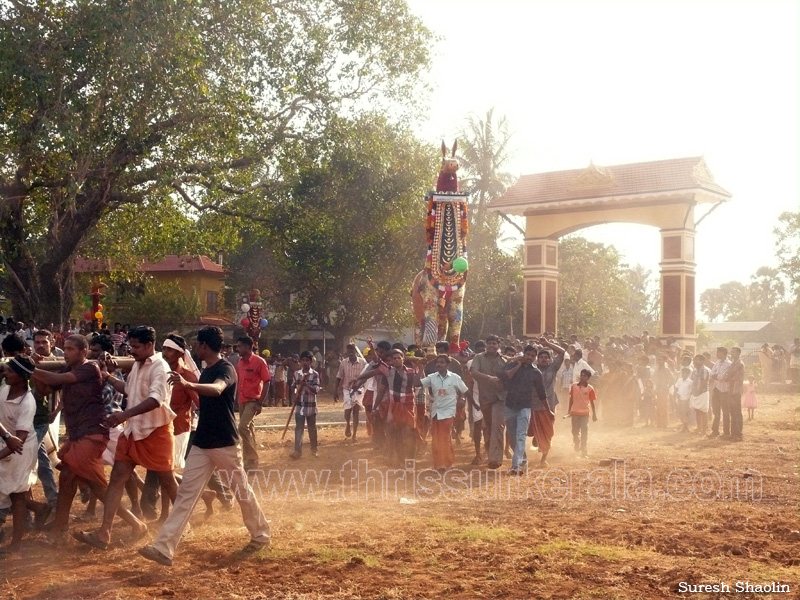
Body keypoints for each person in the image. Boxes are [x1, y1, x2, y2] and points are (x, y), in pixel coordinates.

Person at [139, 326, 270, 566]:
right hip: (202, 442)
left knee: (241, 491)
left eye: (197, 344)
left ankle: (261, 534)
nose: (195, 348)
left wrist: (189, 386)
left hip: (224, 442)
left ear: (204, 346)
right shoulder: (207, 370)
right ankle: (163, 548)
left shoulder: (225, 369)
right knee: (186, 496)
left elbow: (218, 389)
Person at [30, 335, 145, 543]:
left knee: (84, 483)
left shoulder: (90, 368)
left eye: (70, 349)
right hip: (78, 434)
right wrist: (34, 368)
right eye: (64, 348)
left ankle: (59, 533)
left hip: (92, 432)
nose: (65, 352)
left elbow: (55, 380)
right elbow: (45, 389)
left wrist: (27, 367)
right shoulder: (68, 369)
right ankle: (61, 532)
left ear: (83, 352)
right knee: (75, 482)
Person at [74, 326, 177, 550]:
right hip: (133, 430)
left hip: (155, 430)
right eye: (131, 346)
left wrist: (123, 414)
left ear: (150, 345)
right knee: (118, 478)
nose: (132, 351)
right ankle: (104, 534)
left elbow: (156, 400)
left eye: (136, 347)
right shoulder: (138, 365)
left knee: (167, 481)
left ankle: (181, 524)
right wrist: (107, 376)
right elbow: (129, 391)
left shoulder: (160, 366)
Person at [141, 334, 200, 520]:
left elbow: (199, 402)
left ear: (179, 353)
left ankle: (166, 514)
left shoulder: (187, 376)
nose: (165, 353)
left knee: (165, 472)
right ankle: (203, 496)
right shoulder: (160, 372)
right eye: (164, 349)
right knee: (161, 471)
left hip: (179, 429)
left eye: (169, 350)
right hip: (159, 427)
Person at [0, 356, 51, 552]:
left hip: (21, 450)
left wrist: (4, 446)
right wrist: (5, 437)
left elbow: (17, 442)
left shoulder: (27, 403)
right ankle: (40, 508)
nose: (5, 374)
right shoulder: (4, 390)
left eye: (10, 372)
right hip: (6, 443)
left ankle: (16, 545)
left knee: (17, 494)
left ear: (22, 377)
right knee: (9, 491)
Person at [500, 345, 548, 473]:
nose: (530, 358)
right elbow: (506, 377)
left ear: (535, 358)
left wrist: (548, 409)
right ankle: (523, 459)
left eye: (533, 356)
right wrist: (518, 364)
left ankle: (516, 465)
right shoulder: (512, 365)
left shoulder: (536, 372)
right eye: (528, 355)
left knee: (521, 435)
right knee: (512, 436)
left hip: (525, 406)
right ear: (524, 355)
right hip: (510, 405)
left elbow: (541, 393)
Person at [418, 355, 468, 471]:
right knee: (436, 438)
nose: (439, 364)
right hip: (436, 411)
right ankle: (438, 463)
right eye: (437, 363)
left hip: (449, 412)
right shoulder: (432, 377)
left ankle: (446, 462)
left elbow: (464, 390)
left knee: (444, 436)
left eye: (442, 362)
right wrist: (421, 368)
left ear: (447, 365)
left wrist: (463, 399)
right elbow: (416, 383)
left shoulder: (454, 377)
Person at [30, 329, 61, 512]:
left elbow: (58, 389)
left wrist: (57, 410)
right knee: (46, 460)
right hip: (29, 418)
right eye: (38, 342)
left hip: (47, 418)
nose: (41, 346)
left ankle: (52, 503)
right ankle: (53, 502)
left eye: (44, 342)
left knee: (42, 460)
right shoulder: (29, 361)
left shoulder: (59, 362)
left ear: (52, 344)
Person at [469, 335, 507, 469]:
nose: (492, 345)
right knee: (489, 427)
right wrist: (490, 379)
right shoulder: (478, 358)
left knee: (497, 425)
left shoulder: (504, 360)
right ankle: (489, 447)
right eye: (489, 343)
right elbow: (473, 372)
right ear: (486, 344)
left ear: (498, 345)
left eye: (494, 343)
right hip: (485, 398)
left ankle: (495, 459)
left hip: (500, 398)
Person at [234, 336, 270, 471]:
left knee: (242, 428)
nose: (237, 349)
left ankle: (253, 458)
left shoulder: (259, 361)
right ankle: (249, 463)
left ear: (248, 347)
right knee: (249, 430)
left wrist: (260, 403)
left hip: (253, 400)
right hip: (242, 400)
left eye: (240, 346)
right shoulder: (240, 362)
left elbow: (267, 381)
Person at [289, 351, 321, 459]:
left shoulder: (315, 374)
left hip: (310, 406)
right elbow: (293, 386)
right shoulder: (296, 374)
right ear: (300, 361)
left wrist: (306, 384)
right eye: (303, 360)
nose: (305, 362)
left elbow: (316, 389)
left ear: (311, 362)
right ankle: (297, 451)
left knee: (312, 428)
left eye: (307, 360)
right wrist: (294, 395)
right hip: (299, 405)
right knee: (299, 428)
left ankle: (314, 450)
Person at [334, 344, 367, 442]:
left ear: (356, 352)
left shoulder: (363, 362)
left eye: (352, 351)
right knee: (347, 410)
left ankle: (355, 435)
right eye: (349, 352)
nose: (351, 353)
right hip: (347, 390)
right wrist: (335, 390)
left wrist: (358, 382)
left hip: (359, 389)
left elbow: (366, 376)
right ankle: (348, 424)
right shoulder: (343, 363)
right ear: (347, 352)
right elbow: (338, 377)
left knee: (356, 411)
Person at [568, 369, 598, 457]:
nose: (582, 377)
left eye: (584, 376)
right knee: (574, 431)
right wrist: (569, 410)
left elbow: (592, 402)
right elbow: (571, 399)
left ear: (588, 378)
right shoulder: (574, 386)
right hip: (575, 412)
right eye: (581, 375)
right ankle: (577, 443)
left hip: (585, 413)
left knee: (584, 431)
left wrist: (594, 414)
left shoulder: (590, 388)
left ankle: (584, 451)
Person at [708, 347, 731, 438]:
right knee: (716, 411)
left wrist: (715, 375)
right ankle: (715, 430)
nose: (717, 354)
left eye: (718, 352)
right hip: (716, 388)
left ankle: (726, 431)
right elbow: (711, 373)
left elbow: (721, 377)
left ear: (723, 353)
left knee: (725, 411)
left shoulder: (728, 364)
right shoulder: (717, 363)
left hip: (724, 390)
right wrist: (716, 375)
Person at [689, 355, 710, 435]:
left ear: (702, 361)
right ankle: (699, 427)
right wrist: (694, 392)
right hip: (695, 393)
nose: (695, 362)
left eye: (697, 360)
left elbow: (704, 382)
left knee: (703, 411)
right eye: (694, 360)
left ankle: (704, 429)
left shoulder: (705, 370)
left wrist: (698, 391)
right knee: (697, 410)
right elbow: (692, 381)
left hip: (703, 393)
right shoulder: (694, 370)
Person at [728, 346, 745, 441]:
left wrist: (728, 377)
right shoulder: (733, 363)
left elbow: (732, 376)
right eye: (731, 352)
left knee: (737, 412)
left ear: (738, 353)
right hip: (731, 390)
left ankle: (738, 434)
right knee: (732, 412)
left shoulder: (739, 364)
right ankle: (733, 433)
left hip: (736, 390)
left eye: (733, 352)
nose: (732, 354)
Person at [673, 367, 693, 433]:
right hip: (679, 398)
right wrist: (675, 395)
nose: (684, 374)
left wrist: (689, 400)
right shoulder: (679, 380)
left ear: (688, 374)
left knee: (685, 413)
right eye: (683, 373)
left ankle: (685, 427)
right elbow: (676, 388)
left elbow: (691, 392)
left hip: (686, 399)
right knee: (680, 412)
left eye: (685, 373)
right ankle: (684, 426)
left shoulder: (690, 382)